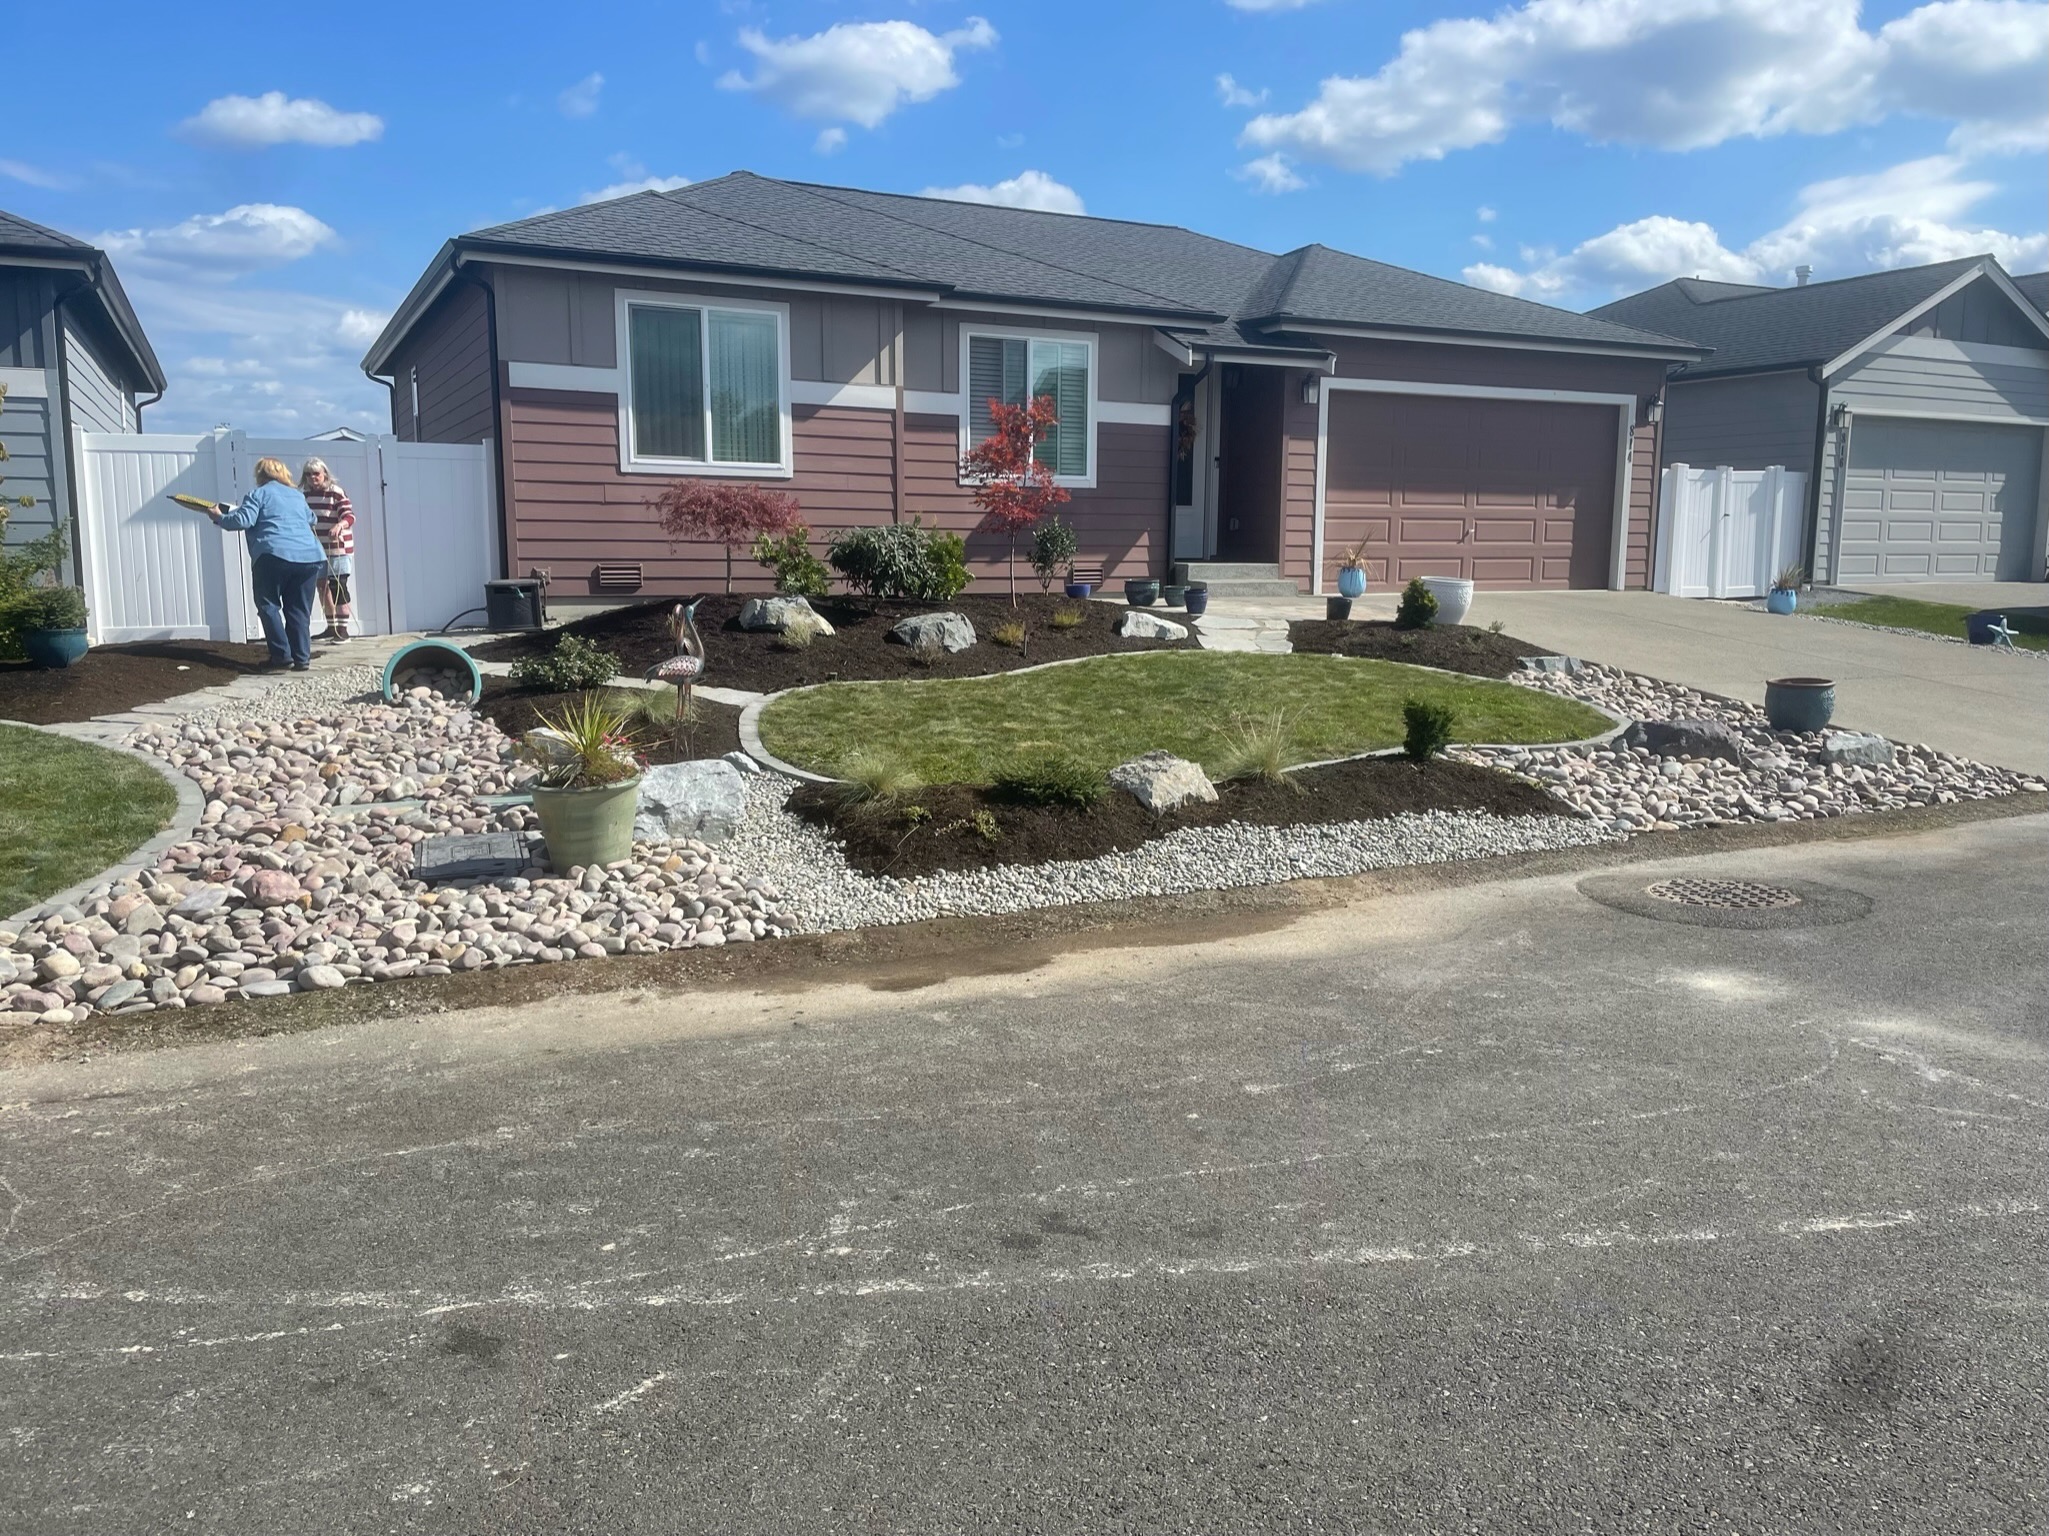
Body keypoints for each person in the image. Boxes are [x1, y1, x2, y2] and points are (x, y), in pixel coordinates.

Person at [206, 458, 326, 671]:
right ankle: (301, 658)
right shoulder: (297, 496)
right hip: (309, 557)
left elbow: (242, 521)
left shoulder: (257, 495)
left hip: (273, 555)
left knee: (268, 605)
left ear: (261, 475)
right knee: (298, 609)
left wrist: (219, 517)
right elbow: (312, 519)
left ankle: (281, 657)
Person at [301, 457, 357, 642]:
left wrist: (340, 525)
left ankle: (343, 630)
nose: (312, 478)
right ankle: (331, 627)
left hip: (338, 548)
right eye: (308, 474)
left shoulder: (335, 492)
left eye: (316, 474)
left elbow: (349, 516)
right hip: (317, 549)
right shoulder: (304, 495)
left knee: (338, 586)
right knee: (322, 587)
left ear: (324, 474)